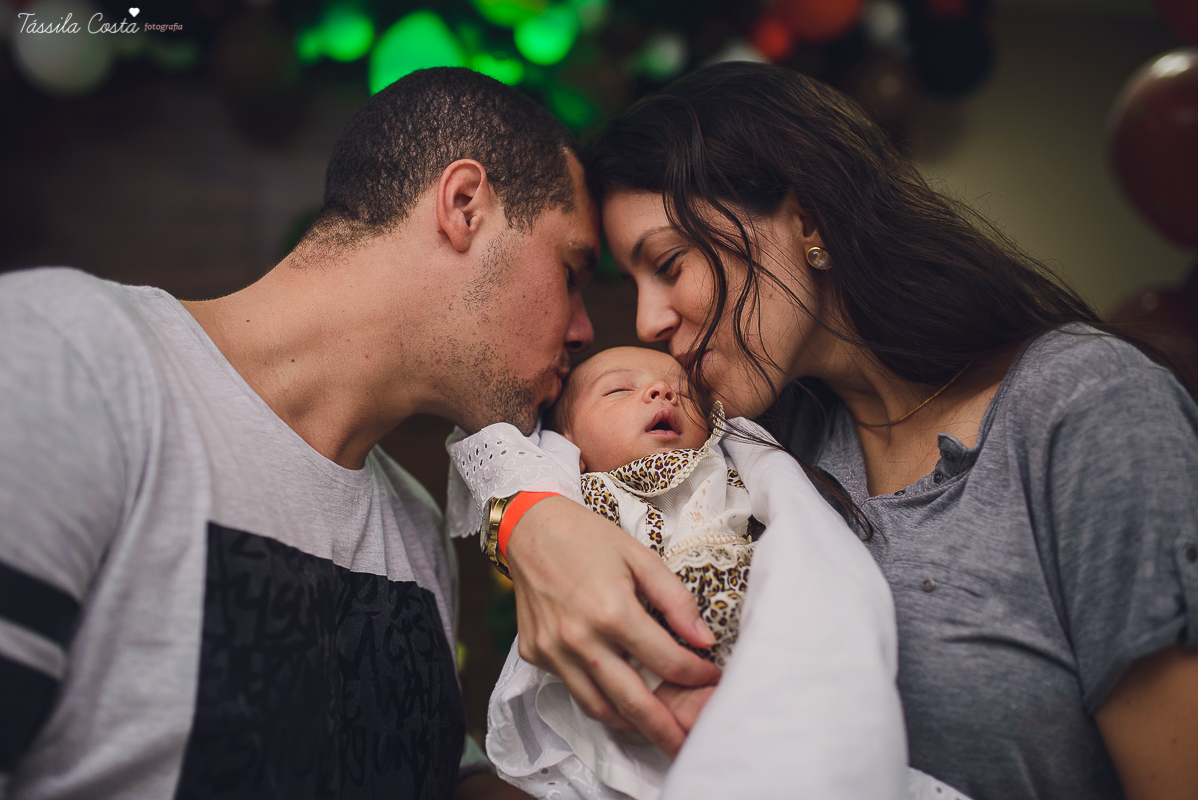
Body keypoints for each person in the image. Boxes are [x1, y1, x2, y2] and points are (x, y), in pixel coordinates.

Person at [0, 67, 727, 800]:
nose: (583, 329)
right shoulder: (69, 351)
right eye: (571, 271)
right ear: (464, 205)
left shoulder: (413, 527)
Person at [495, 62, 1198, 800]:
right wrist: (523, 523)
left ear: (807, 220)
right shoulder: (753, 453)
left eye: (669, 263)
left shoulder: (1081, 408)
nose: (647, 321)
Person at [454, 346, 970, 800]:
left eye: (682, 392)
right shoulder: (582, 497)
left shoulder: (726, 465)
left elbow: (794, 526)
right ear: (569, 442)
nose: (662, 392)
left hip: (762, 650)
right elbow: (501, 456)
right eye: (619, 391)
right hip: (648, 662)